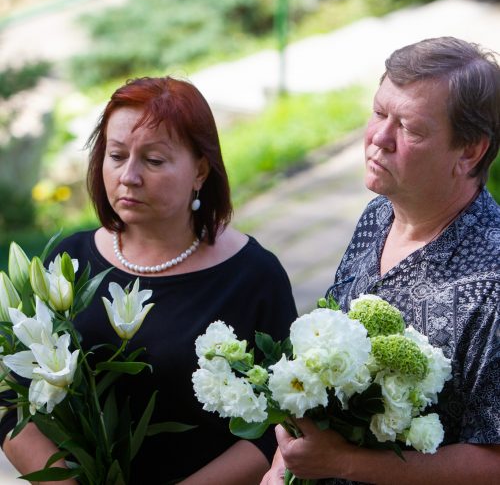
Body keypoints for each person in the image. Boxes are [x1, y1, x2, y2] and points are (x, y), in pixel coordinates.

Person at [0, 76, 298, 484]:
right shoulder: (68, 261)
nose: (129, 176)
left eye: (154, 161)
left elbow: (278, 426)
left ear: (200, 170)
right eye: (116, 155)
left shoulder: (253, 277)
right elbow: (13, 402)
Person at [261, 36, 500, 484]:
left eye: (409, 128)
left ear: (469, 151)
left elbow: (495, 462)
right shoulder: (378, 216)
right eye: (378, 113)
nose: (378, 139)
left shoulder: (494, 280)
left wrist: (343, 463)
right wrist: (282, 466)